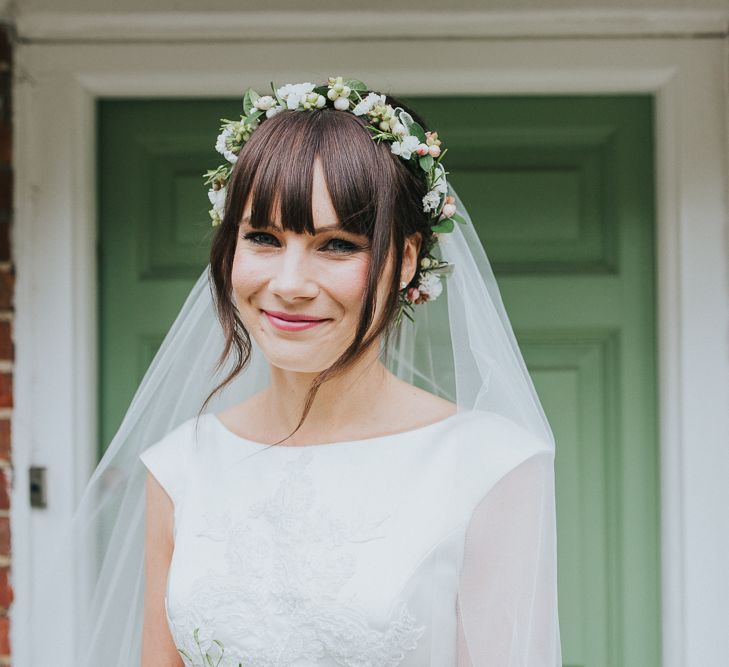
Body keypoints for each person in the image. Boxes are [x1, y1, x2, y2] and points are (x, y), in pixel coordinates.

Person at [46, 77, 562, 666]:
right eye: (263, 238)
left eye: (338, 245)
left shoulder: (490, 466)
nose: (289, 285)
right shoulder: (181, 466)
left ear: (409, 259)